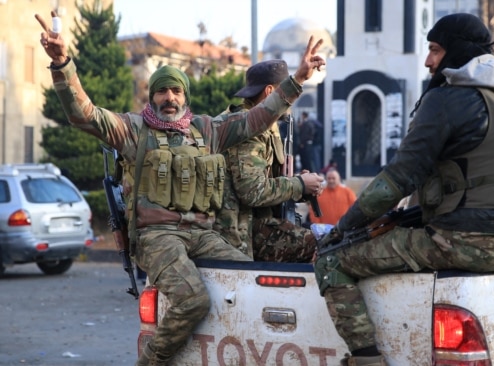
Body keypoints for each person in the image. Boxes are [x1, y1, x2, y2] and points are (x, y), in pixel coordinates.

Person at [36, 11, 326, 365]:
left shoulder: (206, 130)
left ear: (184, 96)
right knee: (193, 301)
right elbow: (84, 114)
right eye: (161, 90)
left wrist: (297, 80)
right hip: (157, 236)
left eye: (175, 90)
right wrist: (62, 63)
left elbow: (258, 117)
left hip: (202, 232)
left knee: (250, 282)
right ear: (152, 96)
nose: (169, 97)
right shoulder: (133, 131)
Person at [313, 13, 494, 365]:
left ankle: (367, 360)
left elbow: (398, 179)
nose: (429, 61)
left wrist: (342, 228)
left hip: (456, 244)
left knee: (331, 260)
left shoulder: (445, 100)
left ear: (456, 50)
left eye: (434, 50)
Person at [214, 59, 324, 262]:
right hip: (239, 233)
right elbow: (252, 192)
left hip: (254, 223)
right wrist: (298, 185)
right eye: (287, 95)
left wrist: (301, 185)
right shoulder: (248, 128)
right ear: (269, 92)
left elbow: (267, 181)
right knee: (325, 247)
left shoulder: (266, 125)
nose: (290, 102)